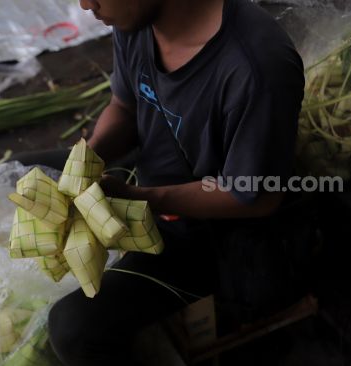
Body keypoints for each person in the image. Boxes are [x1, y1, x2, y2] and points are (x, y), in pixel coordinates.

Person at [16, 0, 308, 365]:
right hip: (148, 173)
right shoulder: (134, 19)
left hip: (211, 235)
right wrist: (86, 163)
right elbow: (124, 107)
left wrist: (140, 198)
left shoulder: (256, 66)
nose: (85, 5)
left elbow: (256, 197)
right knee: (16, 172)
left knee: (73, 329)